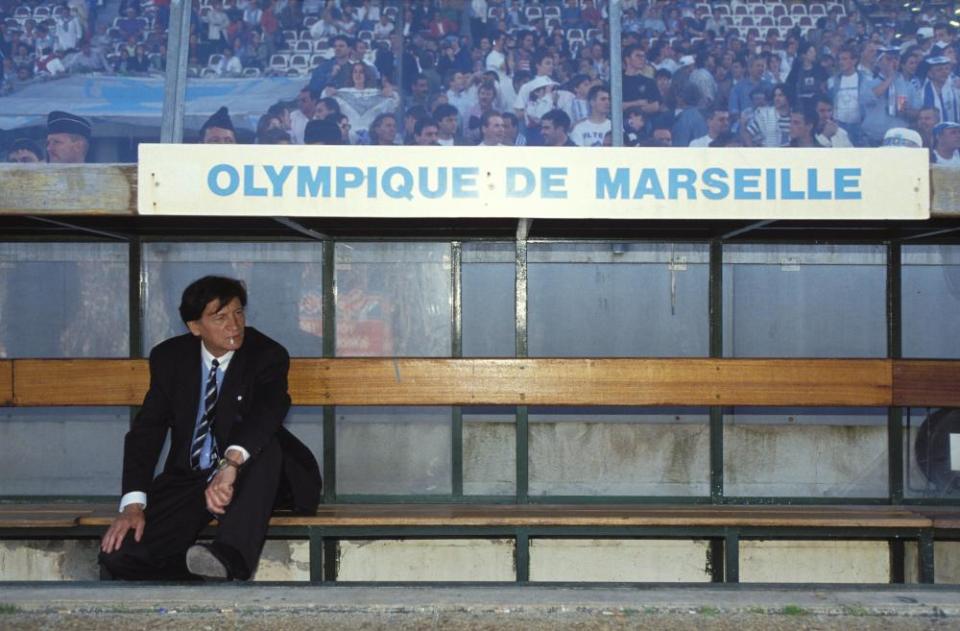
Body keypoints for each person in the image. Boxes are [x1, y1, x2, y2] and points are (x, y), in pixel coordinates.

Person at [99, 276, 321, 581]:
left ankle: (231, 558)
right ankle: (201, 571)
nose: (234, 325)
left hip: (258, 476)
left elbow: (268, 413)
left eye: (238, 313)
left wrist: (230, 465)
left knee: (265, 446)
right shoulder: (170, 358)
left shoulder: (266, 354)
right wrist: (133, 505)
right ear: (195, 327)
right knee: (119, 555)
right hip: (191, 478)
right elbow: (147, 431)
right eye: (220, 317)